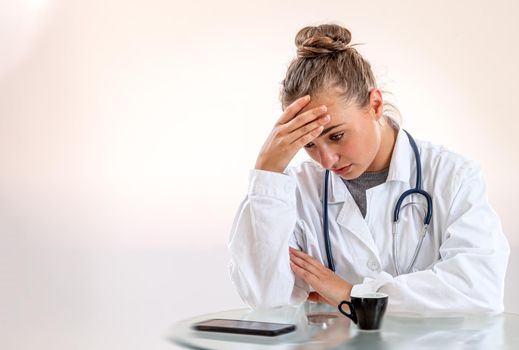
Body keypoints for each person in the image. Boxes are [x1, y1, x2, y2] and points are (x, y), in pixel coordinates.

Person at [227, 23, 510, 313]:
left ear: (375, 105)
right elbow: (265, 297)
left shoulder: (453, 176)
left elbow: (478, 292)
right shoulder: (294, 192)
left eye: (336, 136)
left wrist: (354, 294)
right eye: (308, 145)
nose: (326, 161)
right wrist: (267, 173)